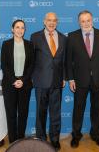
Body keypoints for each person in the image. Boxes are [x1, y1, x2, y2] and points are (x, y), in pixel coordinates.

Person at [66, 10, 99, 148]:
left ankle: (96, 135)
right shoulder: (72, 36)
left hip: (98, 79)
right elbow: (68, 60)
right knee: (78, 109)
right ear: (79, 22)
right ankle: (76, 135)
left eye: (88, 20)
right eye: (83, 21)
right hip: (80, 80)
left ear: (92, 20)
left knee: (97, 109)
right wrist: (71, 79)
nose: (86, 23)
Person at [30, 12, 66, 150]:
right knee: (40, 113)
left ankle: (55, 139)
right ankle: (40, 138)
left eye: (54, 20)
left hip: (57, 82)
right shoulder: (35, 37)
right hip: (40, 81)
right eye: (49, 20)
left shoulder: (63, 38)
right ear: (44, 21)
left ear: (57, 22)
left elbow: (65, 61)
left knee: (55, 113)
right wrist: (32, 77)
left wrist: (64, 77)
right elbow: (31, 60)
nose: (51, 23)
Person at [1, 19, 34, 143]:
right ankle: (12, 141)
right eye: (17, 27)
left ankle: (20, 140)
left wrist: (23, 80)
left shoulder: (30, 45)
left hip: (25, 84)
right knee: (11, 114)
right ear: (12, 29)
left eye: (22, 28)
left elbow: (32, 65)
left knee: (23, 113)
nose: (20, 30)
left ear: (25, 30)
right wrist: (14, 80)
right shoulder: (6, 44)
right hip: (10, 84)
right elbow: (4, 65)